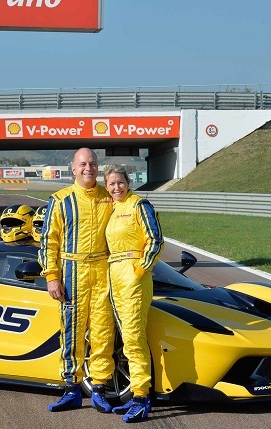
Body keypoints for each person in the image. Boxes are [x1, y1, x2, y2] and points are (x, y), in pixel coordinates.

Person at [38, 148, 115, 413]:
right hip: (72, 271)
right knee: (71, 333)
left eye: (93, 164)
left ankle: (100, 389)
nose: (88, 168)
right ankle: (71, 389)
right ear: (73, 168)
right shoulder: (60, 200)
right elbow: (49, 241)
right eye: (82, 164)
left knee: (103, 333)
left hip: (104, 272)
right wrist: (52, 277)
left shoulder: (110, 198)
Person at [103, 164, 164, 423]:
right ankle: (136, 396)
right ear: (106, 187)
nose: (117, 187)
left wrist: (140, 269)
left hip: (133, 275)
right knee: (124, 337)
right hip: (113, 275)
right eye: (111, 184)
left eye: (120, 182)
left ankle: (141, 397)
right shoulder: (113, 208)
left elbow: (156, 239)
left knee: (133, 338)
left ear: (128, 182)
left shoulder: (140, 205)